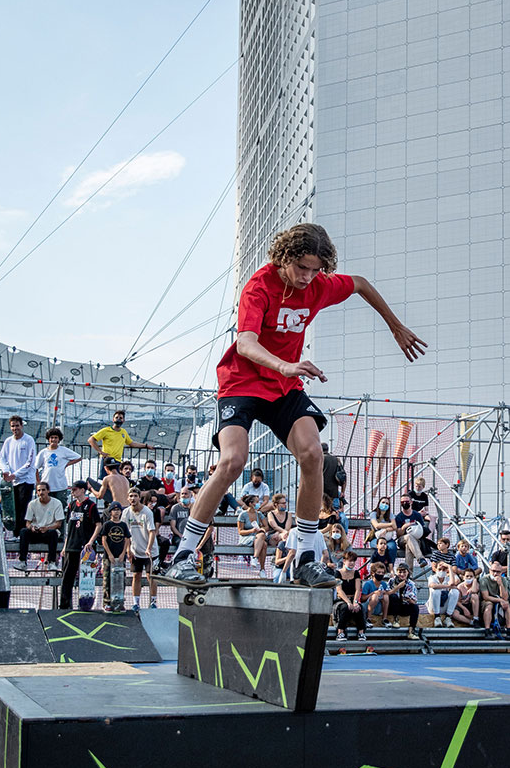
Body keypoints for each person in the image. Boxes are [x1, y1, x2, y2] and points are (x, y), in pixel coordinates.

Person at [163, 222, 425, 588]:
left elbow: (361, 283)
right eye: (301, 267)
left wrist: (395, 326)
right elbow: (245, 344)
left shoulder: (319, 286)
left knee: (313, 454)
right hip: (242, 382)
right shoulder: (260, 286)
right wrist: (285, 363)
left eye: (316, 270)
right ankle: (183, 555)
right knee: (232, 461)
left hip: (284, 387)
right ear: (285, 257)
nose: (307, 277)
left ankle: (304, 556)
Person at [59, 481, 102, 609]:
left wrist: (90, 541)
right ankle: (65, 605)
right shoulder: (71, 505)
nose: (73, 491)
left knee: (86, 577)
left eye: (75, 489)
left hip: (85, 549)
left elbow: (98, 525)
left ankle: (85, 604)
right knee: (67, 577)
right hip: (71, 546)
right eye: (72, 489)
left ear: (83, 490)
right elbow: (69, 528)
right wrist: (64, 546)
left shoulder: (91, 505)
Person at [13, 482, 64, 571]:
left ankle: (51, 563)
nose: (41, 492)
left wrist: (47, 528)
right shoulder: (32, 504)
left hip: (48, 532)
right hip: (36, 532)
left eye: (43, 490)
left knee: (53, 533)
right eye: (39, 490)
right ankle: (22, 562)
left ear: (48, 491)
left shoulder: (57, 503)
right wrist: (32, 528)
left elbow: (59, 524)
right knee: (23, 531)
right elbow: (27, 523)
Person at [87, 410, 156, 477]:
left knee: (116, 481)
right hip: (107, 460)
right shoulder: (106, 430)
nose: (118, 419)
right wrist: (100, 452)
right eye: (116, 417)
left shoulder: (123, 432)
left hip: (117, 461)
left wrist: (146, 446)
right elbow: (91, 440)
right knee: (105, 479)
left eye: (120, 418)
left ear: (123, 420)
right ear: (113, 419)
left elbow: (131, 443)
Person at [0, 415, 37, 535]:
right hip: (12, 482)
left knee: (23, 508)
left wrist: (15, 475)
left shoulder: (29, 440)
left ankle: (21, 534)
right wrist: (6, 471)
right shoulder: (8, 441)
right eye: (12, 426)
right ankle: (13, 533)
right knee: (12, 508)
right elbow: (2, 458)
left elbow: (30, 463)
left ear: (21, 425)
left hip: (26, 480)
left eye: (17, 425)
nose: (15, 428)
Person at [123, 488, 159, 612]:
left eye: (135, 496)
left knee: (151, 577)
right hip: (135, 551)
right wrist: (128, 549)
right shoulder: (126, 513)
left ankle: (153, 601)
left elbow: (152, 531)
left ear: (139, 497)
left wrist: (149, 548)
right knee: (136, 576)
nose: (133, 499)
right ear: (128, 498)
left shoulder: (147, 512)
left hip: (150, 552)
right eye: (131, 496)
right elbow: (126, 533)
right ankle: (136, 603)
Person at [35, 428, 81, 510]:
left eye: (56, 437)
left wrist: (66, 464)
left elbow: (78, 457)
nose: (53, 439)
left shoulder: (63, 450)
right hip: (47, 485)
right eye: (51, 437)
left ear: (59, 439)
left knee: (60, 507)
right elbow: (35, 468)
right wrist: (38, 483)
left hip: (60, 486)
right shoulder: (43, 452)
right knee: (46, 508)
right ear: (48, 439)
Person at [99, 502, 131, 612]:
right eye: (114, 510)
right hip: (109, 556)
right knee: (107, 579)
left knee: (121, 579)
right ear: (110, 511)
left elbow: (127, 539)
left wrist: (123, 553)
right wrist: (110, 554)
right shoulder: (107, 525)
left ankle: (119, 601)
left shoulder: (123, 525)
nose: (116, 512)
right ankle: (107, 602)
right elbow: (104, 540)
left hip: (120, 556)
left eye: (118, 510)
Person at [333, 550, 366, 642]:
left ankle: (361, 632)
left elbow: (357, 589)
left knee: (359, 608)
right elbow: (339, 590)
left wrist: (355, 602)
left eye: (353, 561)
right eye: (350, 561)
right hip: (342, 599)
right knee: (345, 608)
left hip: (353, 597)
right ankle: (340, 631)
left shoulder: (356, 573)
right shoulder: (338, 573)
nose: (352, 563)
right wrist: (348, 601)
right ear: (344, 561)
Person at [394, 493, 430, 571]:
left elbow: (422, 530)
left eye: (406, 501)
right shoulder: (399, 517)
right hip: (402, 539)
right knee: (408, 537)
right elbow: (398, 534)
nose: (404, 503)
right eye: (402, 502)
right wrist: (404, 526)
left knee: (409, 546)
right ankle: (420, 558)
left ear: (411, 502)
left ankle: (408, 574)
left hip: (416, 540)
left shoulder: (417, 515)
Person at [237, 494, 268, 576]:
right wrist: (252, 530)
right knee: (262, 541)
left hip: (257, 538)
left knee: (263, 542)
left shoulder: (259, 514)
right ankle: (258, 562)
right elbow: (240, 531)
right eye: (256, 502)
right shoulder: (243, 515)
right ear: (250, 503)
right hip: (246, 538)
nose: (258, 504)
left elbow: (266, 526)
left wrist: (262, 529)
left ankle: (260, 567)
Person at [386, 563, 420, 638]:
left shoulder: (411, 584)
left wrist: (409, 599)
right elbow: (387, 593)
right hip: (392, 607)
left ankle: (412, 631)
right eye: (400, 572)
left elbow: (413, 601)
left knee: (415, 607)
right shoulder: (392, 581)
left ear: (408, 572)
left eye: (404, 572)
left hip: (404, 606)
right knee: (394, 597)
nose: (402, 574)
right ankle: (396, 620)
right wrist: (397, 587)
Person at [480, 561, 510, 636]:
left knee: (507, 605)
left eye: (498, 572)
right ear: (489, 570)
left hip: (499, 599)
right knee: (489, 605)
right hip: (487, 600)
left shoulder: (503, 580)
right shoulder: (484, 580)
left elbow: (505, 597)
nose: (495, 574)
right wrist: (500, 600)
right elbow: (486, 597)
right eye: (493, 571)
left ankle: (509, 630)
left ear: (501, 572)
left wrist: (500, 584)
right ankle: (487, 630)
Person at [427, 561, 460, 627]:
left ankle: (448, 618)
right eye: (439, 569)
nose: (441, 571)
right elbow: (433, 586)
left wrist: (450, 567)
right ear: (435, 569)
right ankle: (437, 617)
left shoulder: (448, 578)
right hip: (434, 608)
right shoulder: (432, 577)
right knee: (436, 591)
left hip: (444, 606)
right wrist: (448, 586)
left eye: (444, 569)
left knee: (455, 591)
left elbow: (453, 583)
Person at [369, 495, 398, 567]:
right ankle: (378, 568)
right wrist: (390, 524)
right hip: (376, 539)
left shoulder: (390, 515)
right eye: (383, 502)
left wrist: (386, 530)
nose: (385, 504)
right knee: (381, 546)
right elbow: (376, 526)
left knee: (391, 547)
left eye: (387, 503)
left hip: (388, 539)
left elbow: (395, 527)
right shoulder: (374, 514)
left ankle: (389, 568)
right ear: (379, 504)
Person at [361, 561, 392, 627]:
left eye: (382, 573)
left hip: (378, 607)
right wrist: (373, 593)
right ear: (373, 573)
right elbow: (362, 598)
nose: (381, 574)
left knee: (386, 596)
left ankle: (384, 618)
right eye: (378, 572)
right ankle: (368, 619)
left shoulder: (384, 584)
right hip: (368, 606)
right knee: (375, 596)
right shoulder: (368, 584)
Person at [409, 473, 437, 538]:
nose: (418, 488)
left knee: (433, 518)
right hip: (413, 513)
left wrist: (425, 512)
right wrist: (417, 512)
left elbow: (426, 508)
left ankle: (429, 536)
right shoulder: (411, 494)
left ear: (423, 487)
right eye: (416, 486)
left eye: (419, 486)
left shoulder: (424, 495)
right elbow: (408, 508)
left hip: (421, 514)